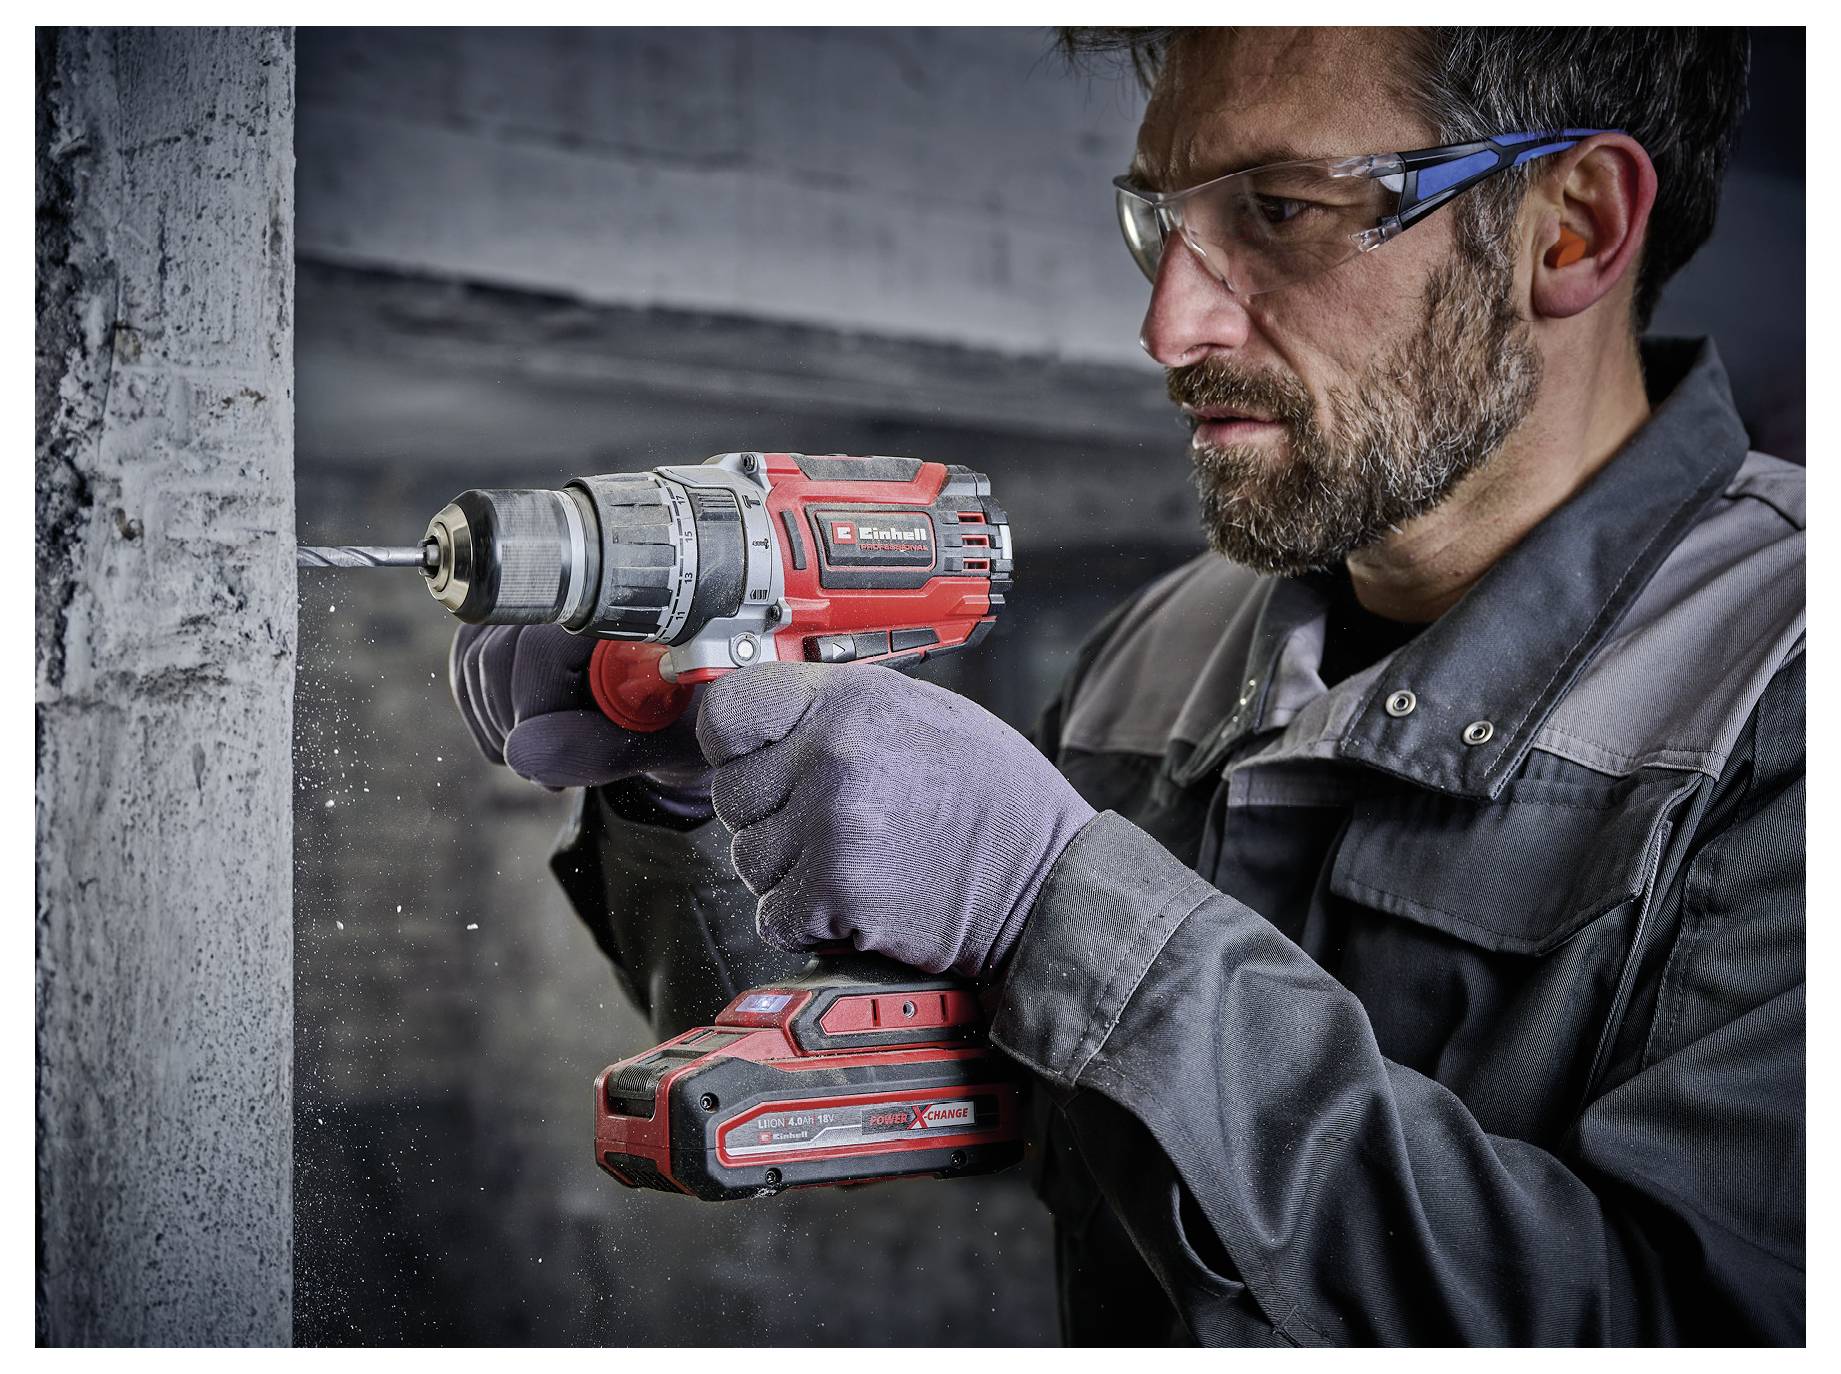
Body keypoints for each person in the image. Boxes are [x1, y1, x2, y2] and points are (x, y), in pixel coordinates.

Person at [450, 27, 1803, 1345]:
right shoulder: (1158, 647)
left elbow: (1683, 1322)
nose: (1168, 324)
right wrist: (677, 786)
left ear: (1565, 229)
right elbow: (905, 1084)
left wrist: (1061, 905)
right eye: (1156, 222)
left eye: (1280, 208)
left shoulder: (1786, 677)